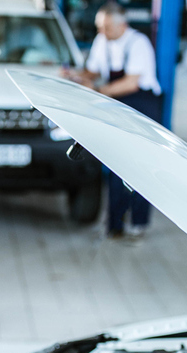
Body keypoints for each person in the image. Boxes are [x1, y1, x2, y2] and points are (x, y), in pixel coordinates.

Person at [63, 1, 162, 239]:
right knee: (117, 163)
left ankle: (138, 223)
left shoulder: (139, 44)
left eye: (106, 27)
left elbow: (132, 82)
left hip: (142, 106)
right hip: (117, 105)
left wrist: (98, 90)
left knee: (139, 166)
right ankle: (114, 225)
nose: (102, 32)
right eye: (100, 27)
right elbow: (94, 70)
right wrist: (74, 75)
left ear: (122, 25)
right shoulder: (102, 41)